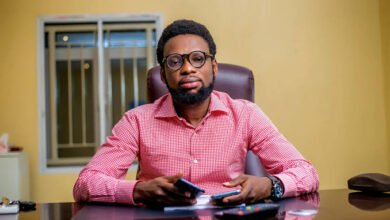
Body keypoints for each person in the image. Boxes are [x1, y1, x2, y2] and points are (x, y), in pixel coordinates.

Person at [73, 19, 319, 207]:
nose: (188, 68)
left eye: (197, 59)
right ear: (162, 74)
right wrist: (137, 190)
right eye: (175, 62)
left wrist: (270, 185)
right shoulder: (136, 121)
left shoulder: (246, 114)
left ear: (213, 67)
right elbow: (86, 183)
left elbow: (306, 173)